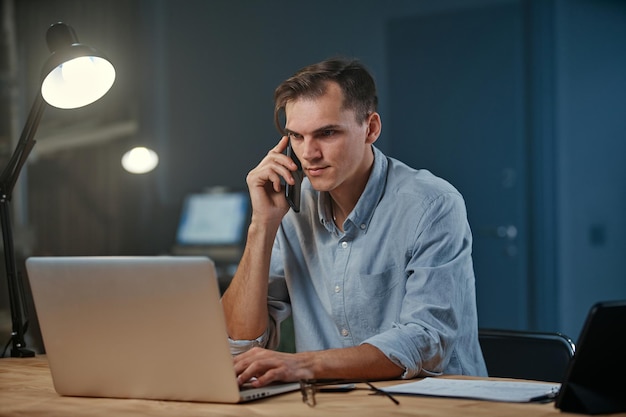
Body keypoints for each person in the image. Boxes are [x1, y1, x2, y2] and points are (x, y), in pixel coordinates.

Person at [221, 57, 487, 388]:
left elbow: (426, 341)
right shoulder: (291, 209)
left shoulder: (432, 205)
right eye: (296, 137)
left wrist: (303, 364)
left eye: (326, 133)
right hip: (332, 405)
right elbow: (240, 344)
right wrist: (261, 225)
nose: (308, 154)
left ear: (371, 128)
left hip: (433, 404)